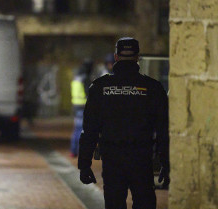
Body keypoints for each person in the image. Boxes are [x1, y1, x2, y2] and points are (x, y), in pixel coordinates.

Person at [78, 37, 170, 209]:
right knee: (145, 203)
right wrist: (166, 162)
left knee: (114, 204)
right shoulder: (153, 88)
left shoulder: (100, 87)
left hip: (112, 159)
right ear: (137, 57)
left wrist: (84, 164)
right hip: (142, 159)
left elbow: (89, 129)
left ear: (116, 57)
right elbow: (163, 130)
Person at [70, 59, 93, 157]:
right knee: (83, 130)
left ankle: (73, 150)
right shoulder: (85, 78)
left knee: (76, 129)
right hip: (84, 106)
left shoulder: (76, 77)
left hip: (76, 106)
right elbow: (89, 93)